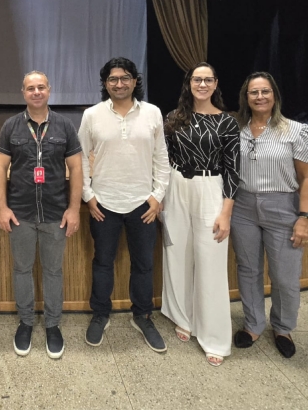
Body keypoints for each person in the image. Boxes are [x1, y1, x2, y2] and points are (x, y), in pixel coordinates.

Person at [78, 58, 170, 353]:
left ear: (135, 81)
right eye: (113, 79)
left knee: (143, 265)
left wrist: (157, 195)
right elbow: (80, 158)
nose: (119, 84)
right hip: (103, 204)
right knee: (103, 263)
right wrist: (88, 196)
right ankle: (100, 314)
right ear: (105, 84)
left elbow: (161, 157)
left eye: (125, 78)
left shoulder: (152, 113)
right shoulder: (92, 115)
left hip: (142, 204)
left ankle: (142, 316)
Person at [0, 71, 82, 359]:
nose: (36, 92)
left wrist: (74, 209)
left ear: (49, 90)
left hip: (55, 213)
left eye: (41, 87)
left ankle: (53, 325)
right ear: (23, 92)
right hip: (20, 213)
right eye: (30, 88)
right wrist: (2, 207)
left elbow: (76, 169)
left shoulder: (65, 125)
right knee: (22, 269)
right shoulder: (11, 126)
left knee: (53, 270)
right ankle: (26, 322)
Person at [161, 62, 239, 367]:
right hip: (177, 186)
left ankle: (214, 336)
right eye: (197, 79)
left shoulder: (227, 122)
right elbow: (164, 159)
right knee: (178, 254)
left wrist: (226, 212)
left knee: (210, 261)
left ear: (216, 84)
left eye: (208, 80)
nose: (202, 84)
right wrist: (162, 196)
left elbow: (233, 170)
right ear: (189, 83)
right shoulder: (173, 118)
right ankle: (183, 316)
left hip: (211, 189)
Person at [231, 72, 308, 359]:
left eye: (265, 91)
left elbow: (306, 178)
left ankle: (283, 328)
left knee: (285, 276)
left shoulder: (295, 130)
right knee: (248, 269)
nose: (260, 96)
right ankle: (253, 325)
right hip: (243, 207)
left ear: (274, 95)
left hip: (283, 206)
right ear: (246, 97)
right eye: (254, 92)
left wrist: (304, 217)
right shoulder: (237, 130)